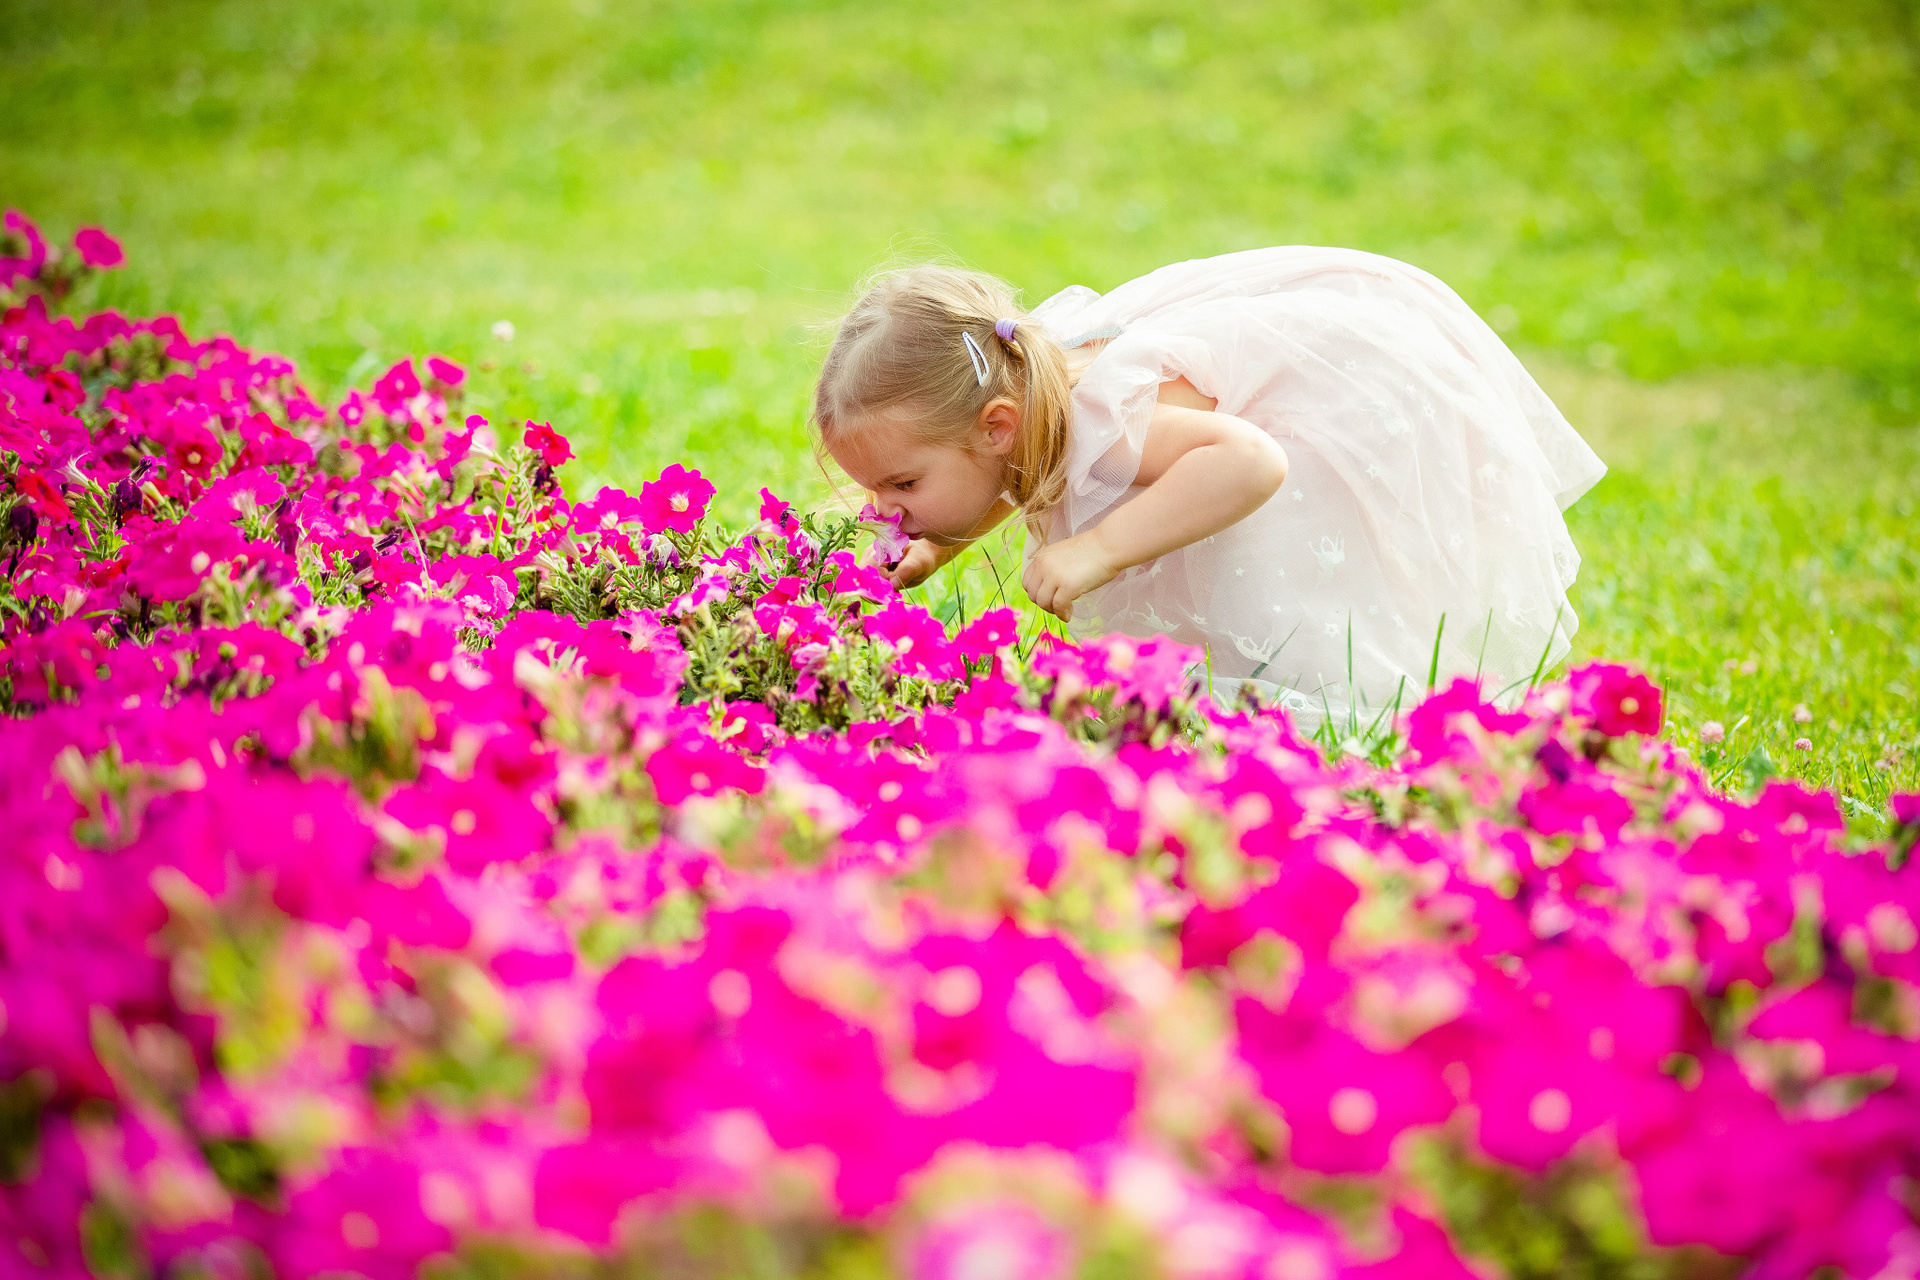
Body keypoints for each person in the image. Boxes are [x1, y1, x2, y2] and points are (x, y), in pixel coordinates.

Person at [809, 247, 1606, 721]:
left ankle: (1332, 708)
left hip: (1316, 449)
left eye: (901, 484)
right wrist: (937, 548)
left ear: (995, 425)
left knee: (1299, 630)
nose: (884, 510)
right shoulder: (1017, 415)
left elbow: (1251, 463)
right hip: (1239, 457)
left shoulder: (1106, 419)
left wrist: (1098, 548)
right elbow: (1009, 476)